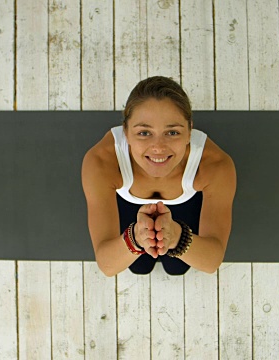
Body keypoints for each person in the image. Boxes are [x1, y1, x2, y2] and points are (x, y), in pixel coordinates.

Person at [81, 76, 236, 277]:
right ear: (125, 132)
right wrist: (136, 239)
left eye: (172, 133)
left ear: (190, 131)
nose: (158, 148)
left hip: (185, 206)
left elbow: (211, 261)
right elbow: (107, 265)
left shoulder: (215, 164)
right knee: (138, 266)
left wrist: (176, 238)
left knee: (178, 267)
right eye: (144, 133)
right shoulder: (101, 161)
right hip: (129, 207)